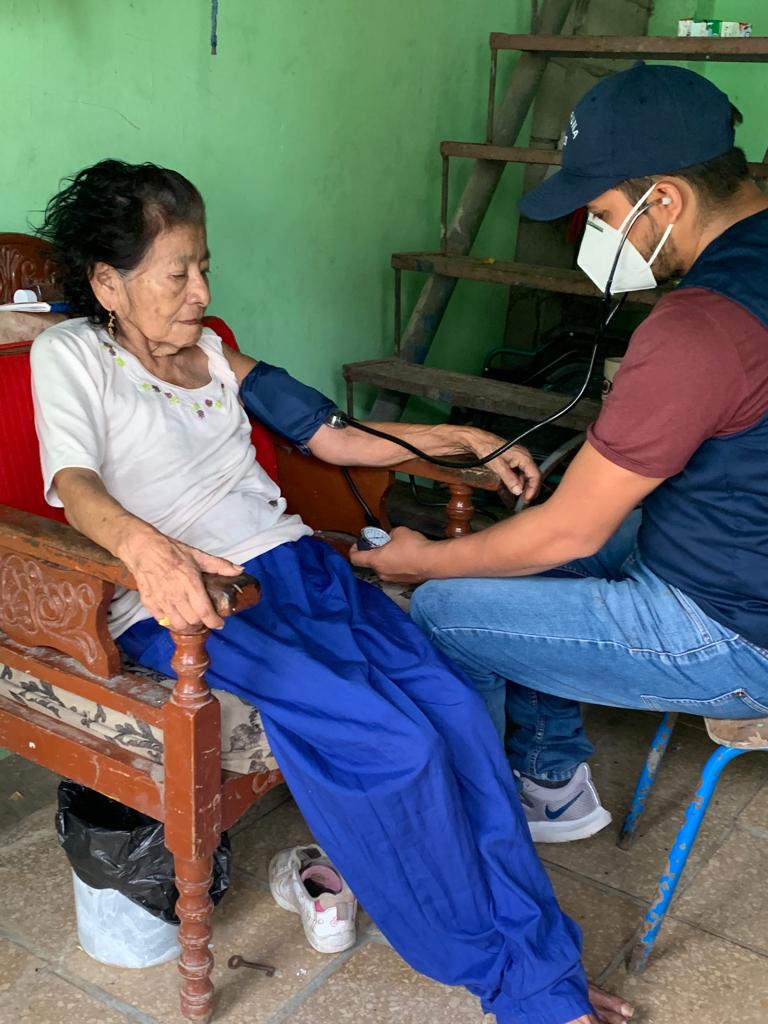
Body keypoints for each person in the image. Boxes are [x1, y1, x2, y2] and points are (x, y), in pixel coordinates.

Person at [30, 159, 632, 1024]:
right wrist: (147, 550)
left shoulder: (213, 351)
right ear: (106, 283)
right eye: (178, 273)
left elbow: (330, 433)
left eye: (206, 266)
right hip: (204, 601)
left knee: (459, 714)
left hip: (301, 571)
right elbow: (76, 484)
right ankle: (515, 985)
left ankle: (545, 968)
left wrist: (455, 435)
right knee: (397, 747)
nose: (202, 292)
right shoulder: (71, 355)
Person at [354, 63, 768, 844]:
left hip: (737, 635)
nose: (596, 234)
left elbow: (570, 530)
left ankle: (477, 832)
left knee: (449, 607)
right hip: (744, 564)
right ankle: (553, 783)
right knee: (553, 544)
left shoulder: (701, 327)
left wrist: (421, 561)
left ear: (665, 200)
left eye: (603, 213)